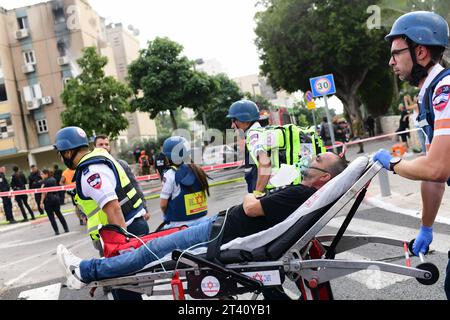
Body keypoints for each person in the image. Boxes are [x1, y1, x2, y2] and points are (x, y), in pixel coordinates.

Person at [57, 152, 348, 289]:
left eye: (319, 160)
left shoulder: (299, 193)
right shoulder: (304, 194)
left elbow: (251, 207)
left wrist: (256, 191)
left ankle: (86, 270)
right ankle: (104, 262)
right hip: (217, 227)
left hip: (219, 235)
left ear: (324, 178)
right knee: (155, 241)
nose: (312, 159)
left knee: (149, 254)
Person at [373, 11, 450, 299]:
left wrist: (393, 164)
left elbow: (437, 168)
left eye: (396, 53)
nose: (391, 61)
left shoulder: (445, 88)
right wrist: (426, 227)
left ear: (420, 51)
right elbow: (435, 178)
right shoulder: (428, 95)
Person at [54, 126, 149, 300]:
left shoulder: (90, 171)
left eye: (60, 153)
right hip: (130, 226)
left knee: (126, 291)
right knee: (127, 290)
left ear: (68, 152)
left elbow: (113, 208)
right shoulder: (98, 159)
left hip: (126, 230)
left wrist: (121, 250)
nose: (60, 158)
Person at [94, 135, 150, 222]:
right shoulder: (92, 170)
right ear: (95, 147)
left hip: (133, 217)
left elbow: (135, 186)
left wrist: (145, 208)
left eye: (106, 144)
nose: (104, 147)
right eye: (101, 144)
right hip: (110, 222)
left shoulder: (121, 164)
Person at [159, 136, 210, 230]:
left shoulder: (170, 174)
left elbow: (163, 205)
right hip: (203, 222)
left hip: (180, 227)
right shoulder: (198, 170)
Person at [227, 100, 263, 195]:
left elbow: (264, 167)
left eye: (234, 121)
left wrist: (257, 195)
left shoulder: (255, 138)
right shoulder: (251, 138)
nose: (232, 125)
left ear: (245, 120)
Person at [40, 169, 69, 236]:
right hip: (56, 198)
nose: (41, 175)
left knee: (51, 217)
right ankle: (66, 228)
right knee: (59, 214)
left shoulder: (44, 182)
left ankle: (56, 231)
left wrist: (41, 202)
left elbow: (43, 193)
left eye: (42, 174)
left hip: (48, 200)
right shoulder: (53, 179)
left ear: (46, 174)